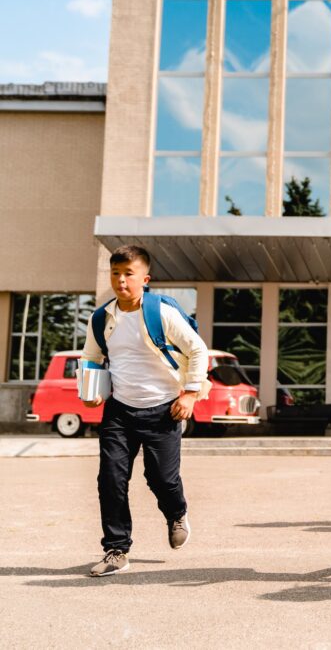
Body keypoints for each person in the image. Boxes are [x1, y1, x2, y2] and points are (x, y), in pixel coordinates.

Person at [82, 245, 209, 577]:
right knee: (110, 479)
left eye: (128, 274)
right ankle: (116, 550)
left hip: (164, 411)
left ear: (145, 278)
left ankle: (176, 513)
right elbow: (92, 358)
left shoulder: (160, 313)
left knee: (162, 479)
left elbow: (198, 349)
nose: (121, 280)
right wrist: (91, 393)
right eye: (115, 273)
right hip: (119, 412)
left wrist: (191, 393)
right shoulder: (102, 318)